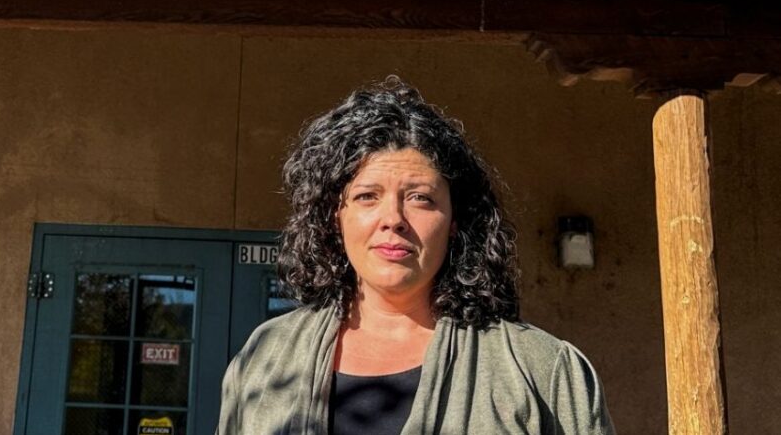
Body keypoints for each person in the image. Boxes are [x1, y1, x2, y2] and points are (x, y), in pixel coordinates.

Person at [217, 78, 614, 435]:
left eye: (420, 198)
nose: (394, 219)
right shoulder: (266, 356)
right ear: (335, 218)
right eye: (367, 196)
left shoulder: (539, 369)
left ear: (456, 220)